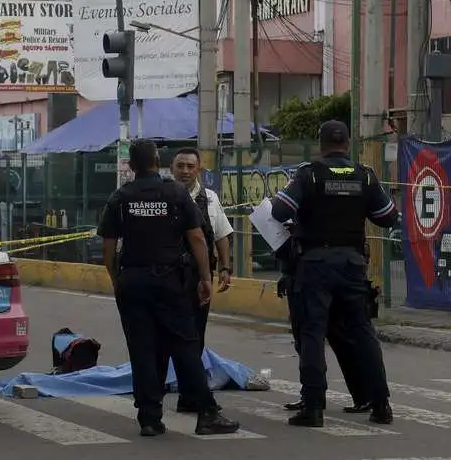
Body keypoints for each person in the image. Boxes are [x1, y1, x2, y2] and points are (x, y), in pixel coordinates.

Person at [99, 139, 240, 437]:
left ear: (131, 165)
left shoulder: (120, 197)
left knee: (142, 349)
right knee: (186, 345)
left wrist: (117, 280)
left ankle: (149, 418)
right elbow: (198, 239)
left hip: (133, 281)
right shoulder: (175, 193)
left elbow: (109, 248)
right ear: (157, 161)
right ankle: (207, 412)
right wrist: (204, 278)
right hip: (170, 281)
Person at [268, 120, 398, 428]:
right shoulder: (364, 176)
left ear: (320, 143)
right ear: (348, 143)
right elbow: (388, 216)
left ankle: (313, 407)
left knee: (312, 333)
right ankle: (380, 405)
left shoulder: (309, 174)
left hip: (314, 264)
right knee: (363, 333)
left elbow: (278, 211)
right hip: (352, 264)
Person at [277, 224, 369, 415]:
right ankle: (311, 395)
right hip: (301, 272)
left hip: (318, 274)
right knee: (304, 340)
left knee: (332, 338)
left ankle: (358, 396)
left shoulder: (311, 200)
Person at [168, 147, 234, 413]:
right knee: (173, 340)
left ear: (198, 170)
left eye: (189, 166)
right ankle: (188, 393)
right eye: (180, 166)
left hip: (198, 280)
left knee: (196, 337)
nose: (184, 171)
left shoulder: (210, 198)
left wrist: (226, 268)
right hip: (169, 279)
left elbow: (221, 235)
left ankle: (189, 395)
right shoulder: (164, 195)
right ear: (173, 168)